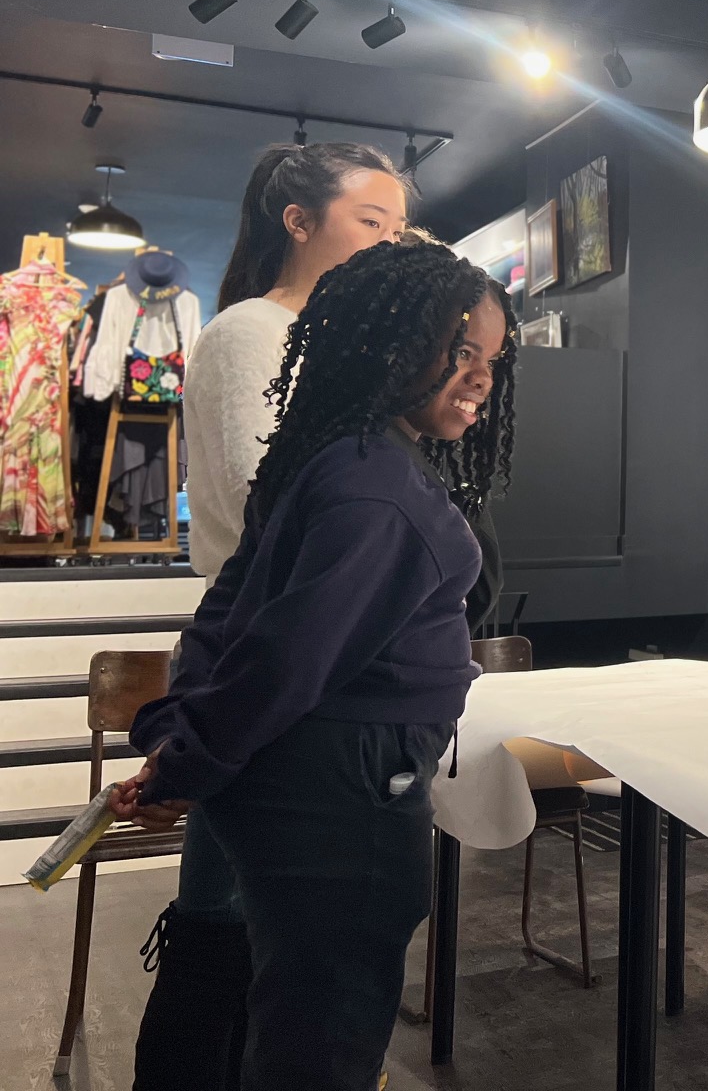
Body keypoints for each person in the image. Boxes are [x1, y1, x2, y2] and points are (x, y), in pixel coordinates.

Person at [112, 239, 516, 1091]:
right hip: (345, 798)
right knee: (322, 1036)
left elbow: (232, 614)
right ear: (391, 343)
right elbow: (282, 659)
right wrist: (186, 756)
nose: (480, 376)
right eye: (460, 351)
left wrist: (181, 736)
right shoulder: (381, 491)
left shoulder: (334, 457)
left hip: (302, 785)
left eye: (491, 358)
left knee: (291, 1005)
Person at [133, 141, 410, 1091]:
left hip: (304, 639)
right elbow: (279, 500)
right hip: (264, 638)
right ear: (299, 222)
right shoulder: (256, 330)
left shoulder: (334, 342)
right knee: (235, 921)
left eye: (398, 228)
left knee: (258, 918)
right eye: (370, 222)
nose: (388, 240)